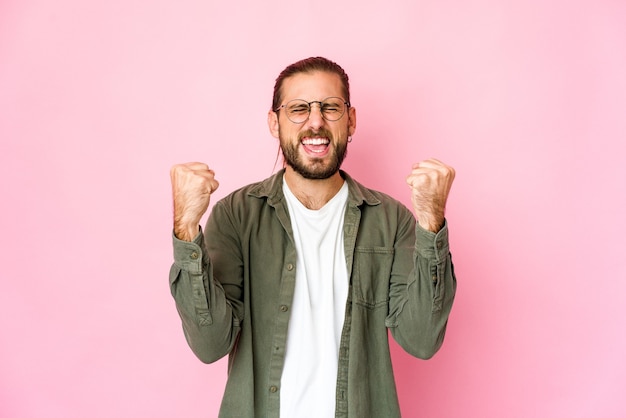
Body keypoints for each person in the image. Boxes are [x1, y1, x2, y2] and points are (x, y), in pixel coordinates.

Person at [168, 56, 457, 418]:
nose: (316, 122)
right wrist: (186, 229)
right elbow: (210, 345)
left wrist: (431, 223)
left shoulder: (391, 219)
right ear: (274, 123)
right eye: (299, 109)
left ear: (351, 120)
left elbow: (421, 339)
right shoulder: (235, 217)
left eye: (330, 108)